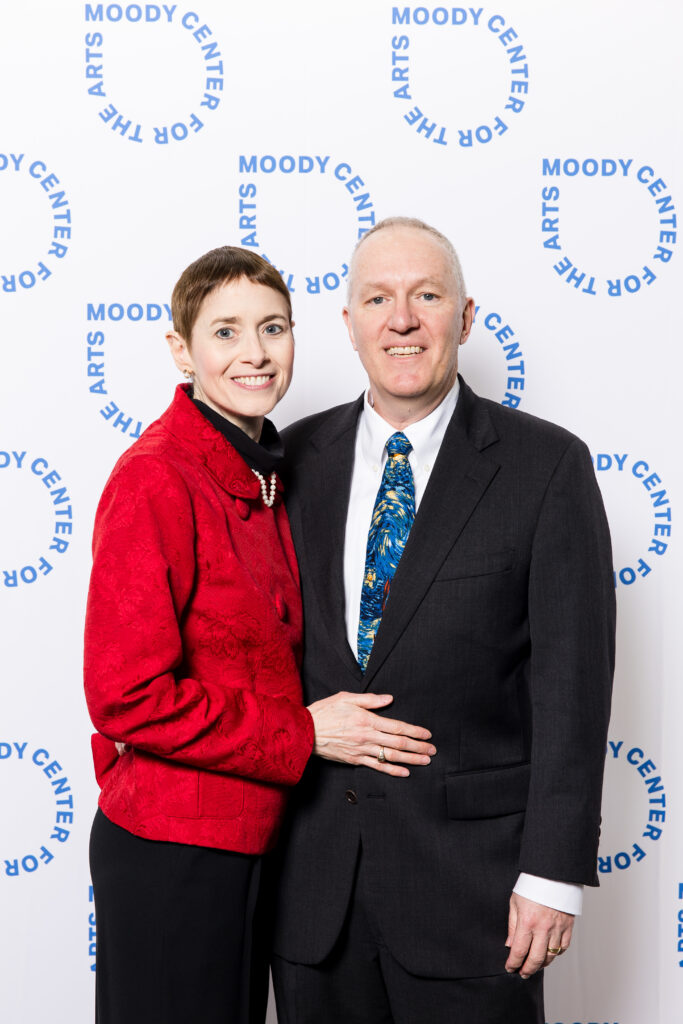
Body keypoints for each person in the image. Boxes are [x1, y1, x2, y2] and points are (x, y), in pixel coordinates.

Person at [271, 218, 616, 1024]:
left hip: (477, 898)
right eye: (377, 298)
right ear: (349, 322)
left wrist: (551, 875)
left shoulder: (545, 467)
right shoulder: (287, 464)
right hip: (311, 893)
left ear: (463, 318)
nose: (402, 319)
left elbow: (571, 687)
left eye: (427, 296)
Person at [84, 245, 435, 1024]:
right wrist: (303, 733)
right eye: (225, 332)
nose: (254, 353)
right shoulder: (156, 476)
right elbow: (126, 697)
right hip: (172, 846)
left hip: (252, 841)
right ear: (181, 349)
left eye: (272, 328)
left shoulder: (261, 474)